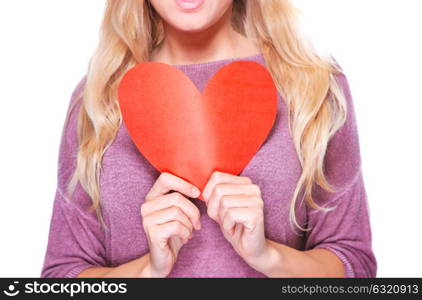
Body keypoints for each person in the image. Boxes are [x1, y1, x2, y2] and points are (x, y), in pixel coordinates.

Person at [41, 0, 377, 278]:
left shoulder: (314, 88)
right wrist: (147, 272)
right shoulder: (98, 99)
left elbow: (354, 268)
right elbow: (61, 278)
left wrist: (267, 256)